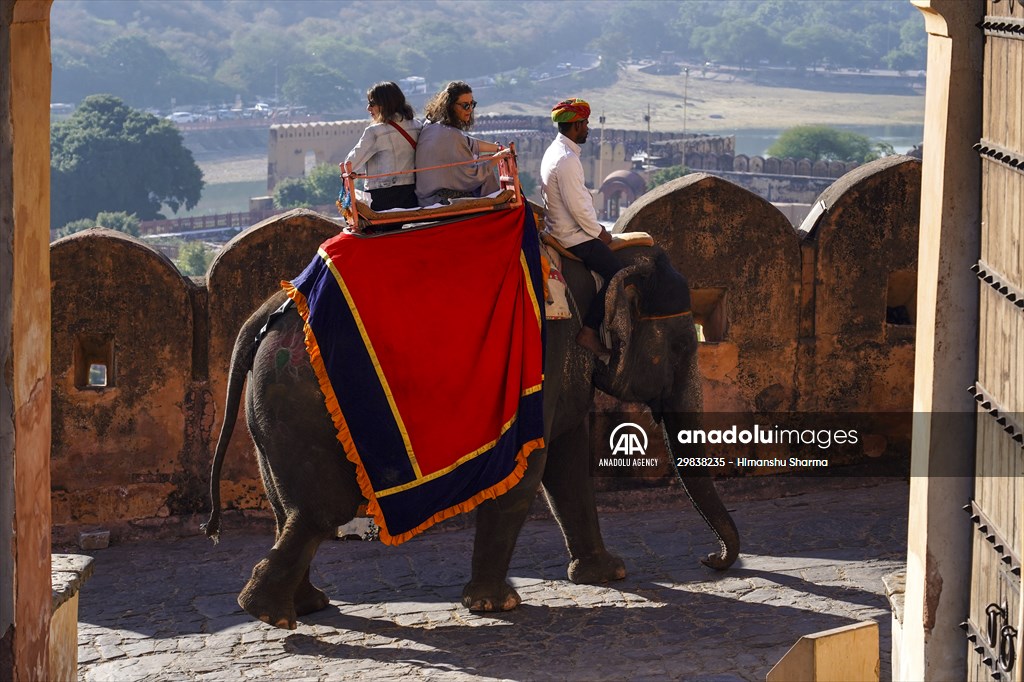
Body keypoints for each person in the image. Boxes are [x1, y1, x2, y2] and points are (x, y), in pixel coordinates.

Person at [540, 97, 623, 358]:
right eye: (585, 123)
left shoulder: (557, 152)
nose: (588, 128)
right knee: (617, 274)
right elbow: (579, 210)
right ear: (575, 126)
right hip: (573, 236)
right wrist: (602, 234)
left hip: (564, 228)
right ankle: (589, 330)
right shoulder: (566, 160)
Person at [415, 81, 508, 206]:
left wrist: (499, 148)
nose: (469, 110)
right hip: (439, 198)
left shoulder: (431, 125)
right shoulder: (450, 134)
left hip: (426, 197)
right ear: (450, 106)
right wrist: (497, 159)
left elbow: (469, 143)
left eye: (472, 104)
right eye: (465, 106)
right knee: (486, 175)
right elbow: (472, 177)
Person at [345, 81, 421, 218]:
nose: (368, 108)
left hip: (383, 198)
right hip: (412, 195)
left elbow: (350, 164)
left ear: (385, 104)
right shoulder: (417, 126)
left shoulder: (375, 132)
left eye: (372, 103)